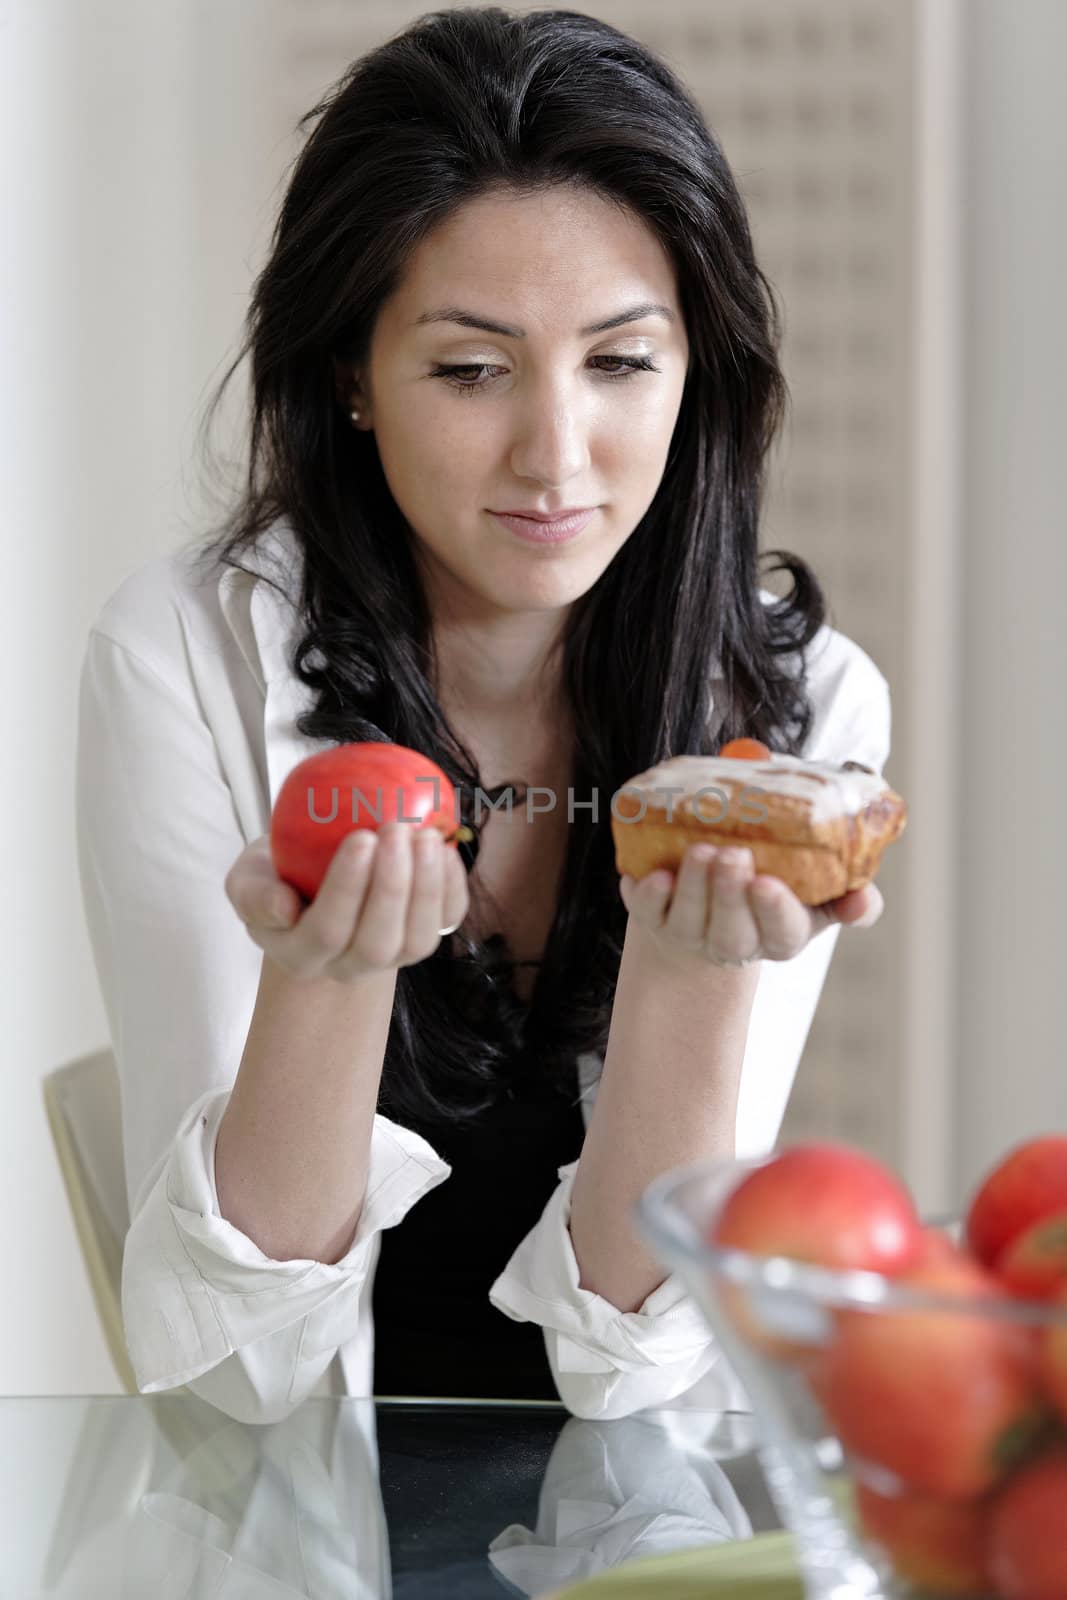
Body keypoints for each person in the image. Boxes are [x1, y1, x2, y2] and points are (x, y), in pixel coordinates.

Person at [75, 7, 892, 1427]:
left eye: (622, 362)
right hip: (283, 1540)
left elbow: (637, 1377)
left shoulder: (803, 713)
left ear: (698, 369)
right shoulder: (187, 657)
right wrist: (325, 976)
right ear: (351, 381)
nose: (556, 455)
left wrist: (690, 981)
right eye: (469, 369)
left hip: (632, 1529)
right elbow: (235, 1375)